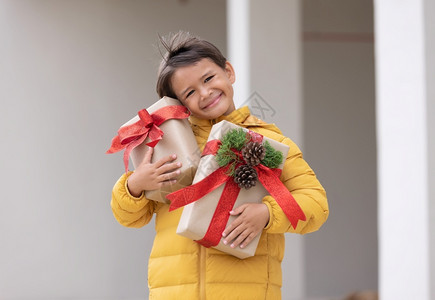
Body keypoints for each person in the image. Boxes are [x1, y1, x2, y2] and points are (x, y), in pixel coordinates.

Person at [110, 31, 329, 300]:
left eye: (209, 78)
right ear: (180, 104)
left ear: (228, 72)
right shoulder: (169, 146)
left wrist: (266, 214)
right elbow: (130, 217)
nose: (205, 93)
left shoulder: (270, 142)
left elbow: (316, 204)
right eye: (190, 92)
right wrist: (134, 185)